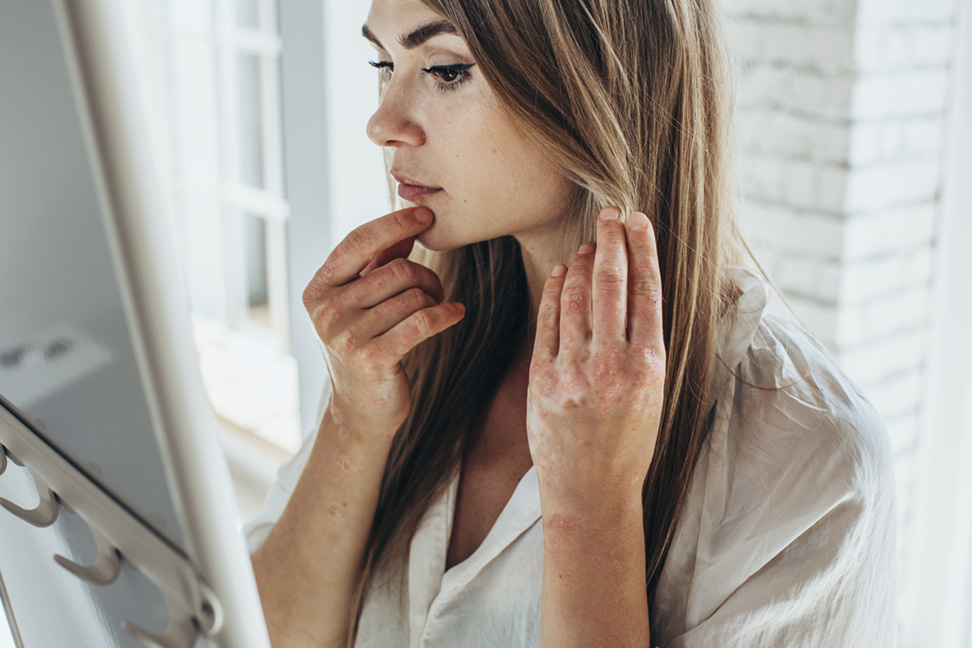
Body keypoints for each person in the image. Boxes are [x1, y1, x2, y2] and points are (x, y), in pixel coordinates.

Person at [245, 0, 897, 646]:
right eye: (384, 62)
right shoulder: (404, 342)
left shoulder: (813, 459)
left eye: (446, 69)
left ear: (601, 84)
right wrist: (352, 423)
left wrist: (595, 511)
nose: (382, 122)